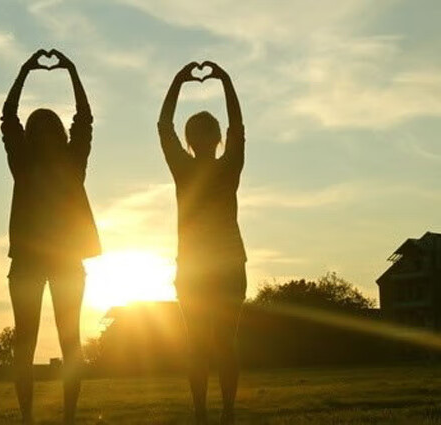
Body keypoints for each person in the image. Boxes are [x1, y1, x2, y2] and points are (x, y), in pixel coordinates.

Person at [0, 49, 101, 425]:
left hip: (63, 261)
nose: (41, 133)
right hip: (28, 262)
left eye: (47, 127)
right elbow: (8, 118)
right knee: (24, 343)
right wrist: (25, 70)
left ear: (56, 134)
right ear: (30, 135)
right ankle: (28, 417)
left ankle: (69, 416)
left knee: (69, 341)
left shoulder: (72, 163)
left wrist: (72, 71)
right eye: (36, 127)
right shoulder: (23, 165)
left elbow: (85, 120)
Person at [158, 61, 247, 425]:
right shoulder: (228, 165)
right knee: (224, 344)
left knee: (200, 345)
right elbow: (238, 127)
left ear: (190, 140)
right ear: (215, 139)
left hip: (199, 267)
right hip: (222, 265)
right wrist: (225, 81)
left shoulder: (185, 168)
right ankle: (222, 412)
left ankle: (204, 413)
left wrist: (178, 81)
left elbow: (164, 126)